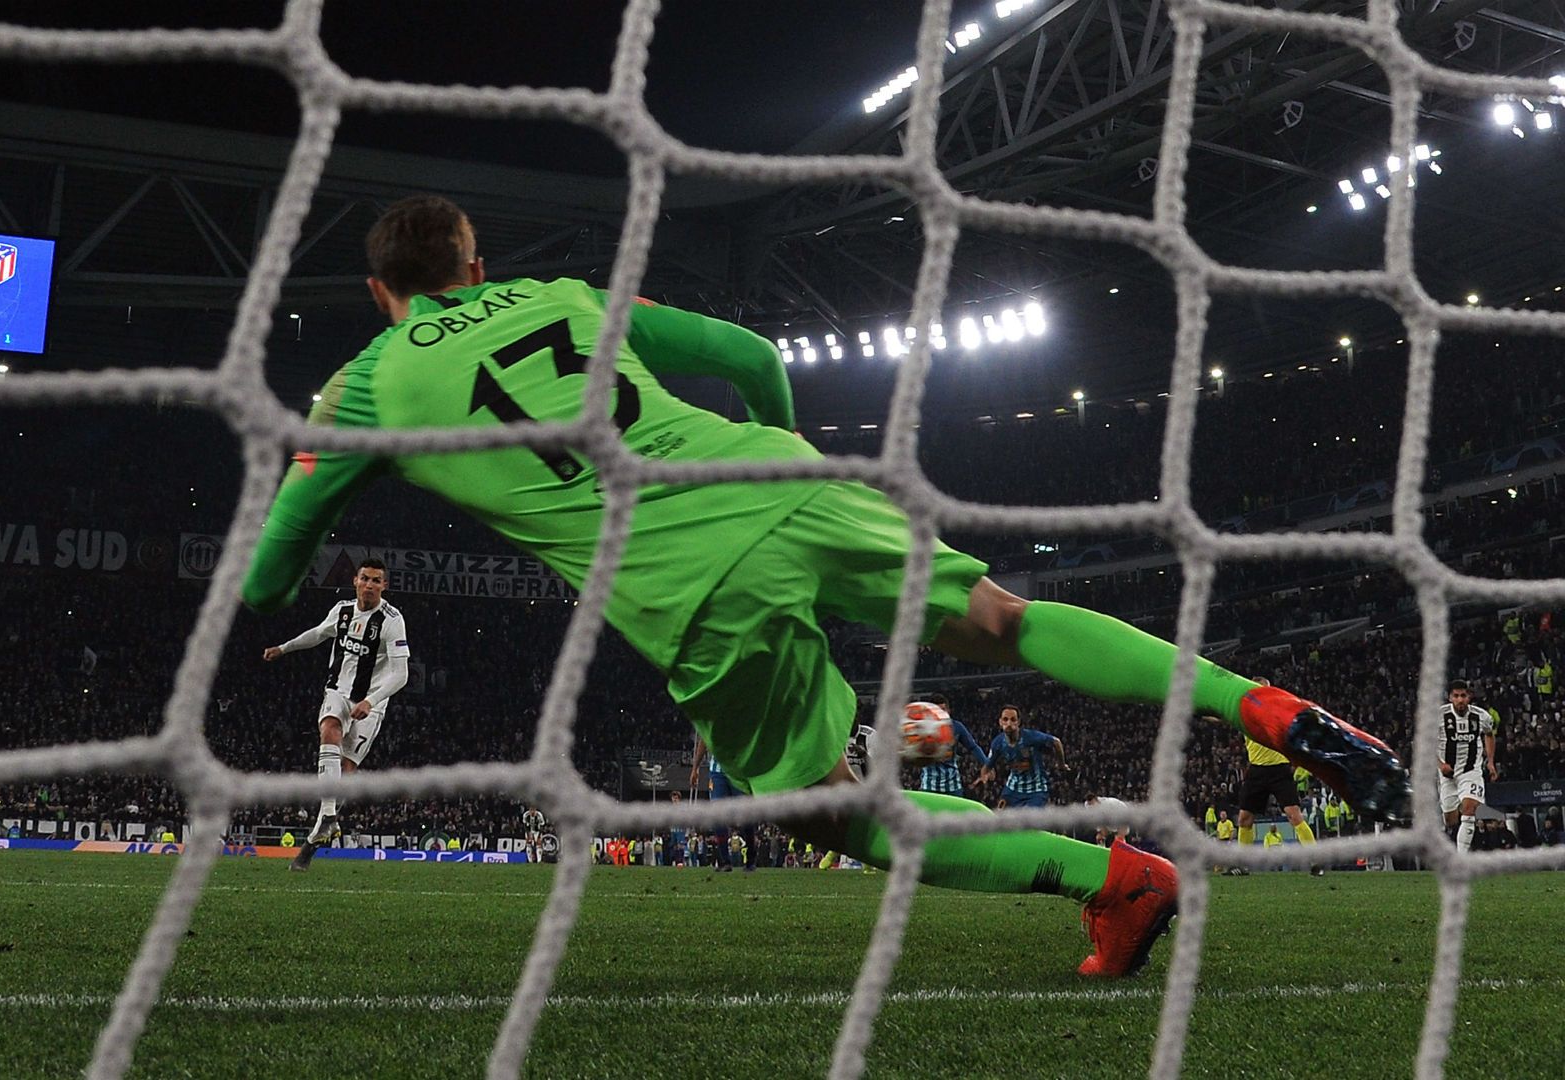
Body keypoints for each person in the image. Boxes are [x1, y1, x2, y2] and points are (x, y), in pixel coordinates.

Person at [240, 195, 1410, 977]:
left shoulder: (364, 395)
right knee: (1006, 619)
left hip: (683, 587)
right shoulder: (565, 296)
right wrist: (783, 469)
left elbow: (268, 579)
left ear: (385, 293)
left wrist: (308, 489)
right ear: (474, 267)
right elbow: (753, 360)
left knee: (831, 808)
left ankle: (1118, 879)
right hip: (786, 480)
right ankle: (1263, 706)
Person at [262, 558, 411, 871]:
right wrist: (284, 648)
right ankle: (329, 814)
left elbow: (401, 674)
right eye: (365, 578)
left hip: (371, 705)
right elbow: (318, 633)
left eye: (376, 580)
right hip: (338, 693)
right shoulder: (342, 610)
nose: (369, 585)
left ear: (384, 586)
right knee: (329, 728)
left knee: (345, 773)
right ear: (355, 580)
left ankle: (312, 843)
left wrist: (371, 700)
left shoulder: (391, 620)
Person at [1220, 679, 1323, 875]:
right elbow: (1222, 716)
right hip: (1257, 771)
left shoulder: (1278, 708)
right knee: (1244, 819)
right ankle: (1242, 865)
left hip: (1279, 770)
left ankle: (1315, 859)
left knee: (1294, 815)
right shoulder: (1244, 712)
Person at [1438, 680, 1498, 852]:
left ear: (1469, 696)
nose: (1460, 700)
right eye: (1456, 696)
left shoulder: (1482, 716)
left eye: (1463, 696)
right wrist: (1441, 764)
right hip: (1447, 774)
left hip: (1471, 771)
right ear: (1450, 697)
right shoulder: (1439, 716)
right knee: (1450, 820)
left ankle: (1460, 860)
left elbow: (1489, 734)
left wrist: (1491, 761)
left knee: (1469, 809)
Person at [689, 734, 755, 871]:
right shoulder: (713, 718)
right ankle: (725, 861)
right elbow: (704, 740)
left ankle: (750, 859)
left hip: (739, 772)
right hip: (717, 773)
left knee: (746, 816)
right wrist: (695, 767)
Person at [976, 706, 1063, 809]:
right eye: (1005, 719)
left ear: (1018, 722)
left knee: (1029, 820)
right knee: (1001, 816)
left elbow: (1056, 742)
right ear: (1000, 722)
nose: (1009, 723)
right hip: (1012, 789)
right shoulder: (998, 743)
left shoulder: (1031, 737)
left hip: (1036, 789)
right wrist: (983, 775)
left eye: (1013, 720)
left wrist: (1061, 763)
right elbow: (987, 766)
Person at [911, 695, 991, 800]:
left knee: (957, 815)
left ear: (949, 711)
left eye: (943, 710)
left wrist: (987, 764)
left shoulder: (957, 727)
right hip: (930, 784)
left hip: (952, 784)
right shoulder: (922, 729)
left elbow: (973, 747)